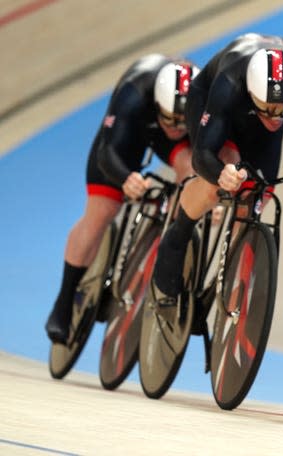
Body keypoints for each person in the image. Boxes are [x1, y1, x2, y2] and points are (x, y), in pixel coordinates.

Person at [151, 33, 283, 304]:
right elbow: (203, 155)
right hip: (211, 101)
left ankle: (230, 279)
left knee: (259, 193)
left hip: (256, 112)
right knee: (217, 182)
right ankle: (177, 235)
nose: (278, 116)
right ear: (252, 93)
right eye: (270, 107)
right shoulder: (230, 82)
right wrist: (220, 173)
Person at [45, 54, 201, 343]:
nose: (175, 127)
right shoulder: (134, 92)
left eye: (182, 123)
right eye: (170, 120)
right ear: (157, 104)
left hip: (175, 140)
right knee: (102, 212)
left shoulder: (198, 100)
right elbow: (107, 152)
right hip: (130, 133)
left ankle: (171, 237)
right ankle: (64, 302)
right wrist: (126, 177)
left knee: (191, 169)